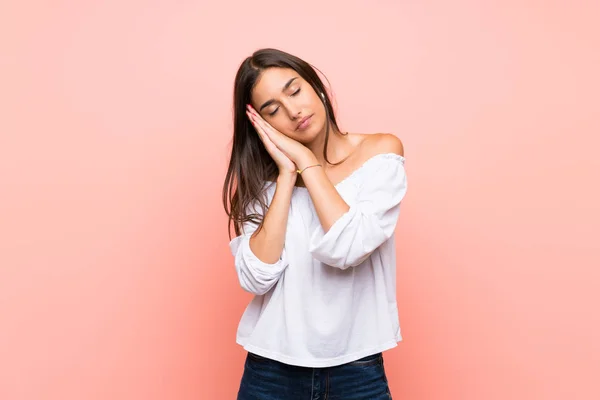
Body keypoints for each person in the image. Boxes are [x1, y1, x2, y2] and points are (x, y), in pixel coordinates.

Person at [222, 48, 408, 399]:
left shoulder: (379, 153)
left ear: (317, 87)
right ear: (262, 125)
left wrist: (308, 162)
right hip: (270, 371)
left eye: (295, 91)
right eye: (273, 110)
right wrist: (287, 174)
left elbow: (348, 246)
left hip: (358, 370)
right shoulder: (261, 184)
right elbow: (255, 277)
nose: (293, 112)